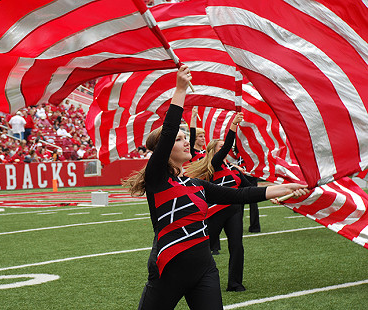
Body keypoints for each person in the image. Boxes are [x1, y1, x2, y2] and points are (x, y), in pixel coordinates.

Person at [122, 66, 308, 309]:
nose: (185, 140)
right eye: (179, 139)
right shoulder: (158, 180)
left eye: (184, 137)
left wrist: (285, 188)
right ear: (163, 150)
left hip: (204, 270)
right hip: (168, 269)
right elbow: (167, 132)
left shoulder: (197, 185)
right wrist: (180, 90)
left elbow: (240, 194)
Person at [185, 111, 252, 292]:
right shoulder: (212, 164)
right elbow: (227, 145)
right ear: (214, 151)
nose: (226, 149)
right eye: (221, 147)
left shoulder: (233, 169)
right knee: (204, 247)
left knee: (237, 247)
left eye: (225, 147)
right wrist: (233, 125)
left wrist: (274, 196)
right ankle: (191, 279)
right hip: (215, 210)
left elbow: (249, 190)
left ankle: (235, 283)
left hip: (235, 210)